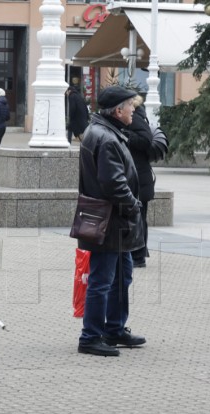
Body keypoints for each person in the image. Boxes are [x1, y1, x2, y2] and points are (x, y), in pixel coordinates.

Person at [76, 86, 146, 357]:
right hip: (110, 220)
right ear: (118, 110)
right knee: (103, 280)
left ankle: (114, 329)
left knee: (121, 277)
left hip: (115, 221)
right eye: (131, 106)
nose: (134, 110)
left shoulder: (107, 132)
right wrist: (133, 205)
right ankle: (91, 336)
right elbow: (113, 182)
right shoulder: (105, 137)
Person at [126, 94, 155, 267]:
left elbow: (146, 140)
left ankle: (138, 256)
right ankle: (138, 253)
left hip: (139, 178)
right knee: (138, 217)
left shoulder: (136, 118)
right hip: (138, 177)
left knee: (138, 218)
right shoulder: (137, 117)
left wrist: (126, 135)